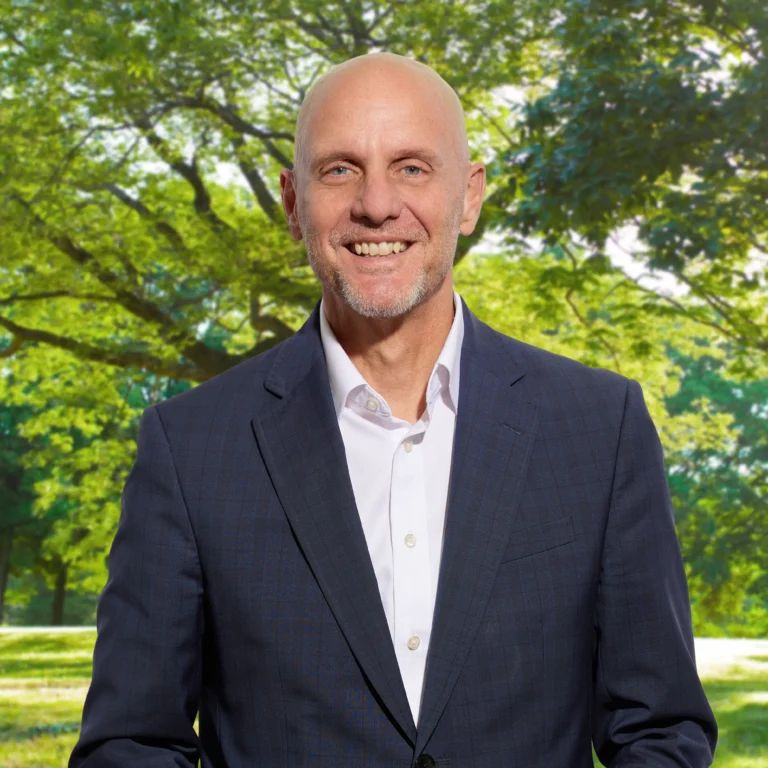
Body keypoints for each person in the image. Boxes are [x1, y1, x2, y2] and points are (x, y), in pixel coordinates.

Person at [69, 53, 717, 768]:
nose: (377, 204)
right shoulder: (189, 447)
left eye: (412, 167)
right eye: (340, 169)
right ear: (292, 202)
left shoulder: (600, 426)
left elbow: (661, 732)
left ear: (469, 197)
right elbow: (129, 745)